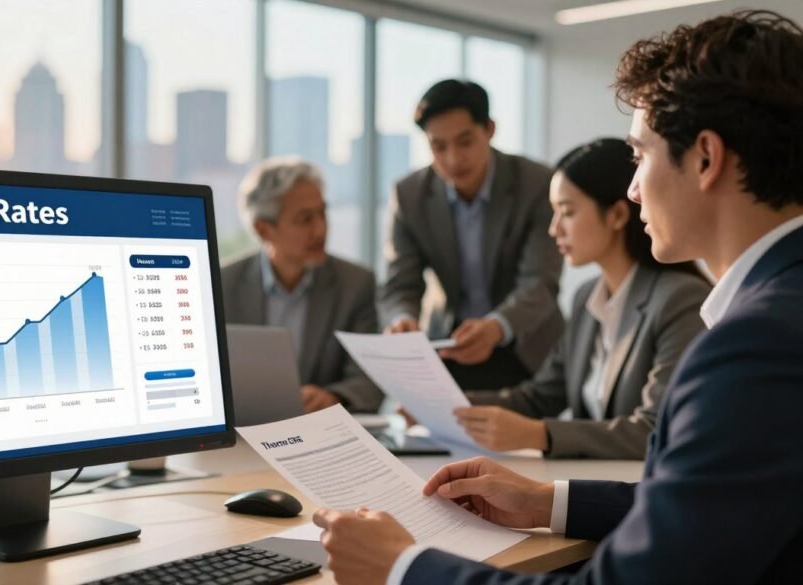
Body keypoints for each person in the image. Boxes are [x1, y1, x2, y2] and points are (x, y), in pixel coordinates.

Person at [315, 10, 803, 584]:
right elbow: (714, 506)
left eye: (640, 155)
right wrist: (549, 501)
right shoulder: (776, 313)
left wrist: (402, 566)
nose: (631, 186)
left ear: (704, 157)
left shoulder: (756, 344)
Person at [455, 138, 710, 459]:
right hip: (589, 483)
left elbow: (656, 428)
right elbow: (539, 397)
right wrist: (448, 403)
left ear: (617, 215)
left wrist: (539, 434)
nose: (554, 229)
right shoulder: (586, 298)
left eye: (567, 212)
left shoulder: (680, 299)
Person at [381, 79, 564, 390]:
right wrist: (401, 318)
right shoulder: (409, 195)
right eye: (438, 146)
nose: (453, 159)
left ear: (489, 129)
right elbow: (400, 283)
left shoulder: (537, 184)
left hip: (525, 344)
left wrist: (495, 327)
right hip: (448, 345)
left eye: (464, 142)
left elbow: (540, 282)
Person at [222, 157, 383, 413]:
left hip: (321, 432)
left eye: (322, 213)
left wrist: (332, 396)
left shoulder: (355, 284)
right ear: (263, 230)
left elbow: (370, 379)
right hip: (243, 433)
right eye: (305, 219)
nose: (320, 230)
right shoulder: (221, 284)